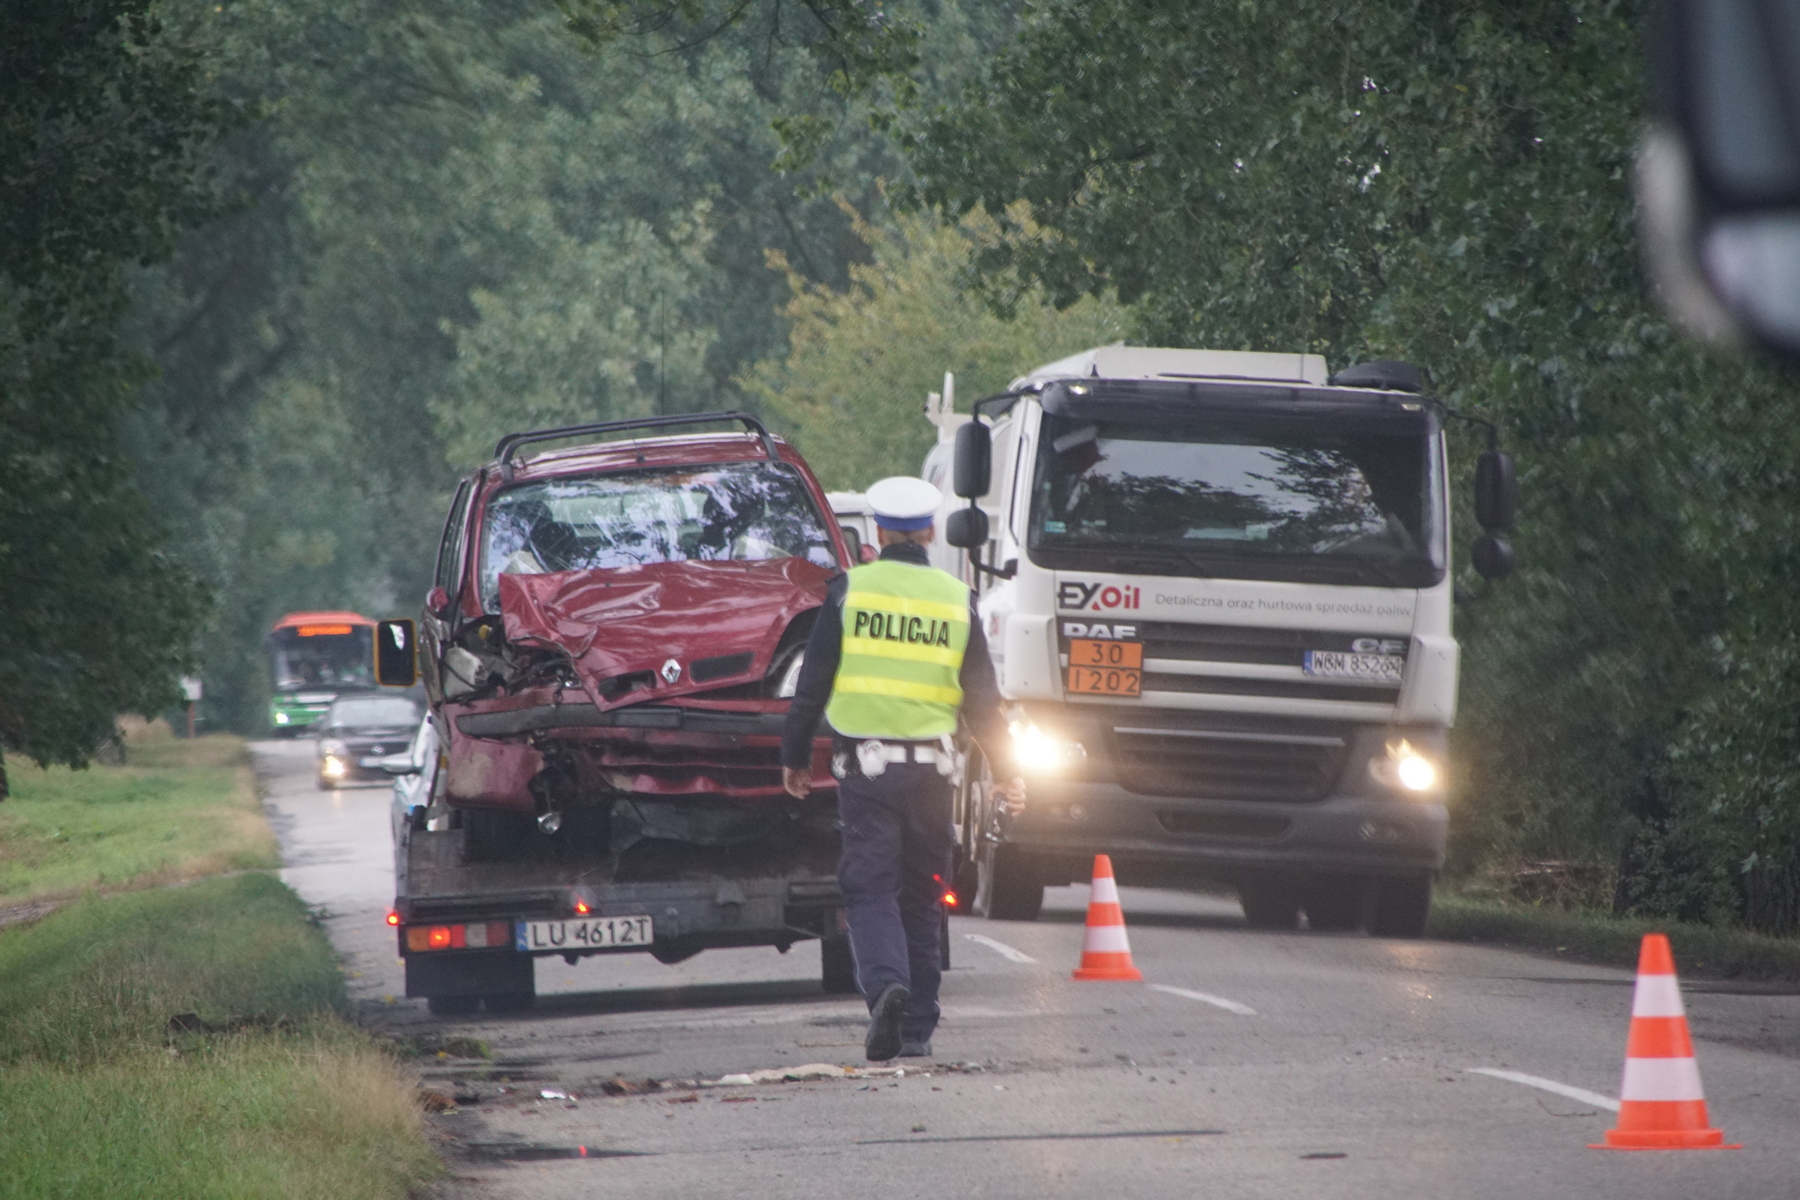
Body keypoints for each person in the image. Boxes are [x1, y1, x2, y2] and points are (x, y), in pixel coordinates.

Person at [781, 475, 1025, 1062]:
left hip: (867, 772)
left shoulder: (849, 592)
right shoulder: (954, 599)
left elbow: (810, 687)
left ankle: (886, 985)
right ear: (932, 531)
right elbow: (983, 702)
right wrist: (1010, 772)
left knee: (869, 888)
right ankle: (916, 1027)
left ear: (879, 534)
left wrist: (793, 758)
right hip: (934, 774)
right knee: (924, 893)